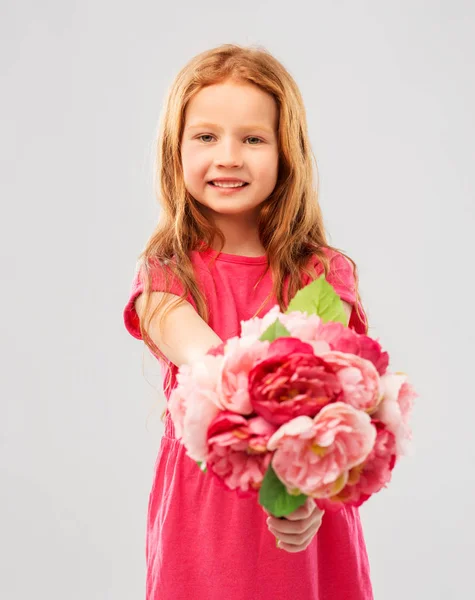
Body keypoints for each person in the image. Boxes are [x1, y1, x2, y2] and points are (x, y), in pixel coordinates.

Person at [123, 43, 372, 600]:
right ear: (176, 151)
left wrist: (307, 494)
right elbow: (213, 365)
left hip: (302, 525)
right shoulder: (166, 278)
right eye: (206, 136)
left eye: (253, 138)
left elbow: (338, 399)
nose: (229, 156)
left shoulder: (324, 274)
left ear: (286, 153)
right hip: (204, 533)